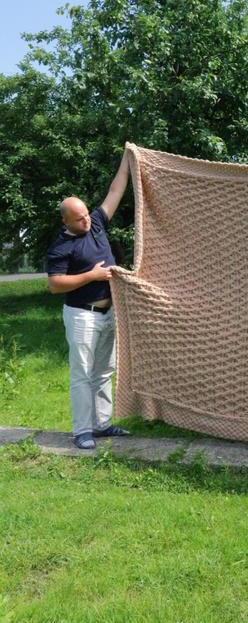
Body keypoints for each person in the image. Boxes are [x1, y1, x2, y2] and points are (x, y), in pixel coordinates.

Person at [47, 150, 131, 449]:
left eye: (86, 215)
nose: (86, 221)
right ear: (65, 220)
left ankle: (101, 424)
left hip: (108, 313)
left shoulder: (95, 222)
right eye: (79, 219)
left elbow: (115, 191)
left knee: (104, 371)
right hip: (82, 314)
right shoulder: (60, 247)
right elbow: (55, 285)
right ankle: (82, 431)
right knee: (82, 373)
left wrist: (127, 159)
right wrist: (91, 276)